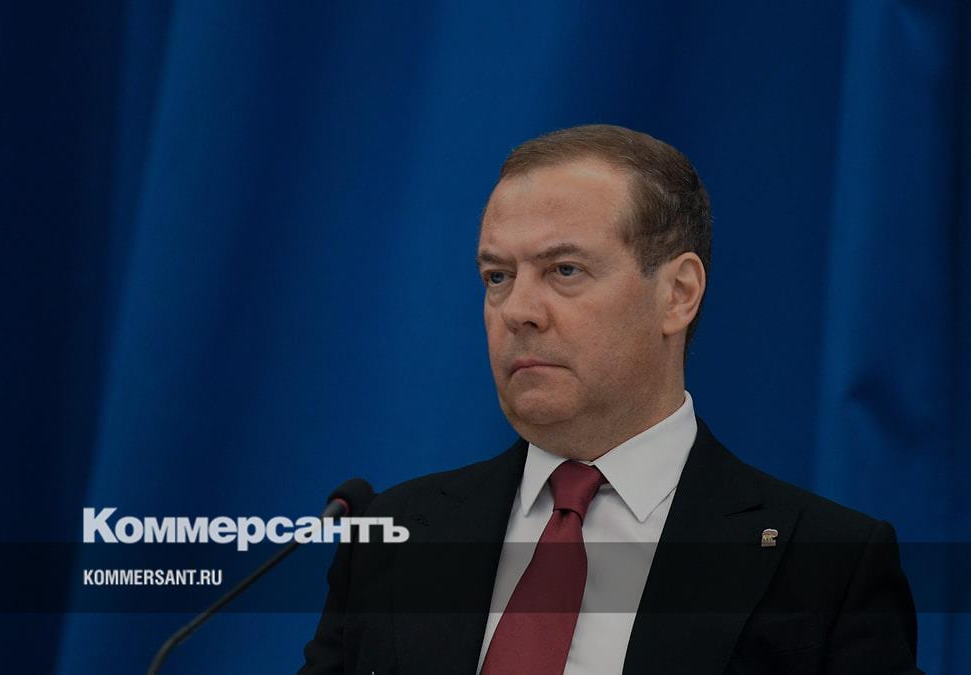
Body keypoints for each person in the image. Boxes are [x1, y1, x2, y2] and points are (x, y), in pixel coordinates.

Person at [299, 125, 920, 674]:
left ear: (677, 294)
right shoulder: (392, 534)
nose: (517, 310)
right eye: (498, 276)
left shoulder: (827, 565)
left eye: (564, 270)